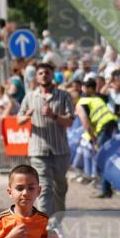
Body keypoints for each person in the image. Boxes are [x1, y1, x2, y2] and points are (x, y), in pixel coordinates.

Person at [19, 62, 74, 229]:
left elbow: (70, 122)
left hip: (60, 150)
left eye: (47, 73)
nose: (44, 76)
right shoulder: (30, 97)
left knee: (60, 187)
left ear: (52, 75)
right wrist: (26, 117)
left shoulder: (64, 96)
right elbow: (19, 120)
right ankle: (45, 224)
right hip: (38, 150)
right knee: (44, 187)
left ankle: (57, 219)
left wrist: (54, 116)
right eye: (41, 73)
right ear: (37, 77)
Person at [75, 77, 119, 198]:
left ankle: (105, 189)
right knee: (108, 158)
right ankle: (106, 188)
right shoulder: (97, 98)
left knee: (101, 159)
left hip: (105, 129)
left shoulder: (82, 103)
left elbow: (86, 124)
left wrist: (93, 140)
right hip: (113, 126)